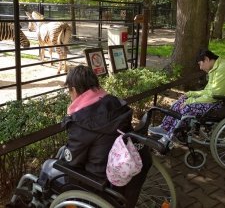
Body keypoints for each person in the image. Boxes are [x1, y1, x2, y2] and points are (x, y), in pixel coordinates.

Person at [37, 65, 151, 207]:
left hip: (97, 182)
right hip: (119, 170)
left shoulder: (81, 120)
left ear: (74, 89)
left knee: (47, 167)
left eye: (69, 91)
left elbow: (73, 162)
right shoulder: (114, 103)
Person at [149, 50, 225, 145]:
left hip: (218, 105)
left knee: (186, 108)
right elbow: (208, 91)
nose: (200, 68)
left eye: (200, 64)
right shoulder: (214, 68)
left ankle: (170, 137)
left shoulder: (222, 69)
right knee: (180, 101)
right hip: (211, 101)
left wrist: (191, 101)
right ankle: (165, 128)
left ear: (206, 59)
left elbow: (214, 95)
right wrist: (189, 94)